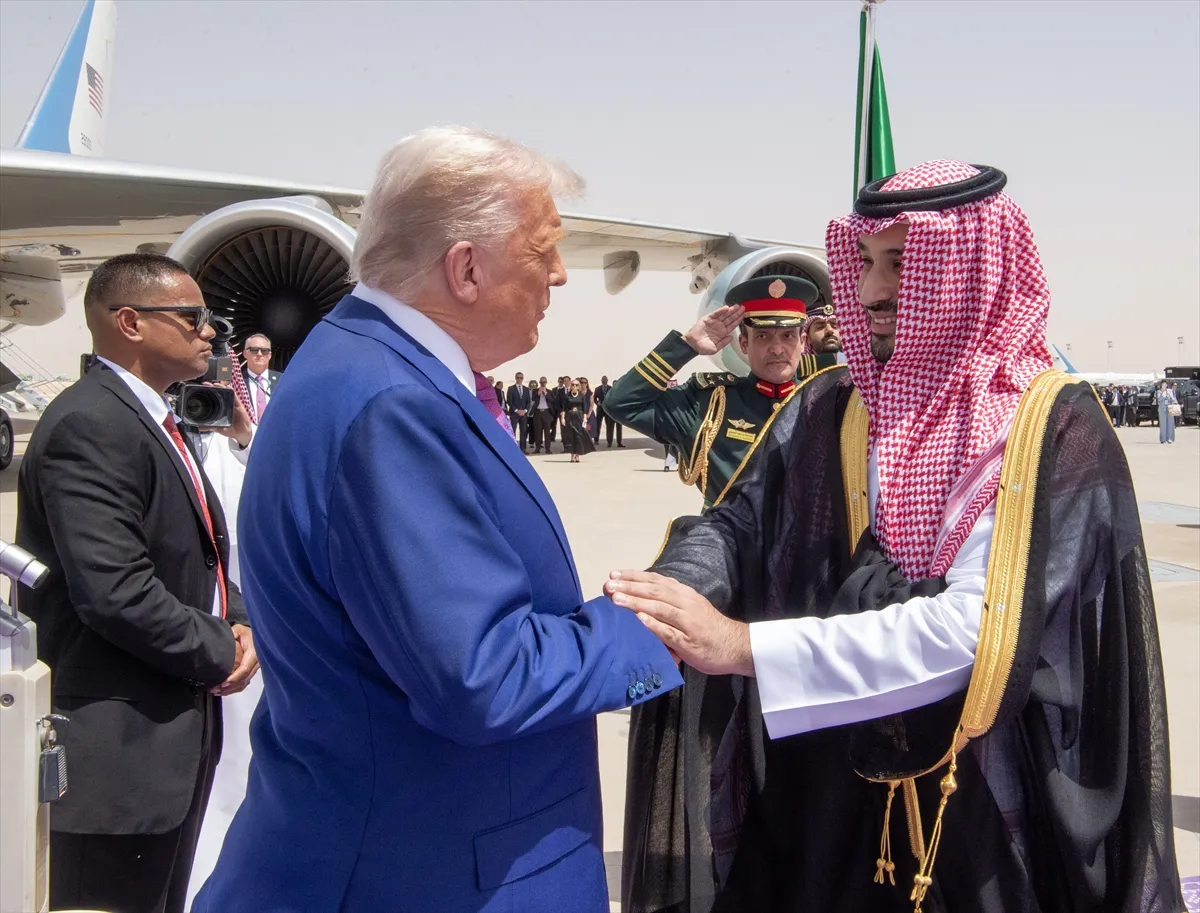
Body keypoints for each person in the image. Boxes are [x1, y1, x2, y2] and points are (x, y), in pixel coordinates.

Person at [606, 162, 1183, 913]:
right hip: (833, 786)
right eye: (865, 262)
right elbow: (736, 526)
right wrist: (673, 593)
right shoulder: (831, 405)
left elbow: (976, 631)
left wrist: (742, 647)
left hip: (986, 797)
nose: (873, 290)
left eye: (901, 264)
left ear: (971, 269)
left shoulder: (1052, 427)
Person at [192, 126, 681, 913]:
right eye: (545, 248)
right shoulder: (394, 407)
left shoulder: (358, 361)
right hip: (424, 873)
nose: (560, 273)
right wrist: (654, 626)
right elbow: (482, 677)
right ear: (467, 268)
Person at [15, 253, 259, 913]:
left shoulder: (150, 417)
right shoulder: (92, 423)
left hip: (163, 740)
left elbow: (199, 552)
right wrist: (222, 647)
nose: (210, 332)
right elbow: (114, 590)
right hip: (114, 755)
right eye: (192, 317)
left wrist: (237, 616)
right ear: (130, 323)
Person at [604, 275, 836, 511]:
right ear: (743, 344)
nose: (777, 349)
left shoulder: (829, 403)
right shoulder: (708, 405)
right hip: (727, 534)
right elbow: (621, 403)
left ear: (802, 341)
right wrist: (686, 346)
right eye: (762, 336)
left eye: (787, 336)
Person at [240, 332, 280, 424]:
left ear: (270, 355)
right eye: (254, 350)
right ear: (245, 353)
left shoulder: (282, 380)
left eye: (264, 351)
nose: (259, 354)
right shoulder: (237, 382)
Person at [561, 379, 596, 463]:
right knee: (571, 436)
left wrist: (585, 418)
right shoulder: (567, 396)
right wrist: (563, 418)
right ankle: (572, 455)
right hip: (570, 417)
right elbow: (564, 408)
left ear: (578, 386)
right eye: (573, 384)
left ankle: (577, 455)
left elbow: (584, 409)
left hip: (579, 417)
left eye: (576, 385)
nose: (574, 386)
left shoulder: (581, 396)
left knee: (578, 436)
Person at [593, 374, 624, 447]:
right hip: (600, 409)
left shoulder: (610, 388)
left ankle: (609, 442)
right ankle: (596, 440)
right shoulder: (597, 389)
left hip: (608, 410)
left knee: (609, 426)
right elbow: (594, 399)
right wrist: (597, 403)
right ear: (601, 381)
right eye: (603, 380)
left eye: (605, 380)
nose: (604, 381)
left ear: (607, 380)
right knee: (598, 425)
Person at [507, 370, 533, 451]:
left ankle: (523, 448)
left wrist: (525, 410)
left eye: (521, 378)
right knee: (513, 431)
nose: (519, 379)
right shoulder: (511, 389)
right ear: (515, 378)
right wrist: (516, 410)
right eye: (518, 377)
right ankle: (513, 449)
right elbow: (509, 401)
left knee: (523, 432)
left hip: (523, 414)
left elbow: (529, 402)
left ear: (523, 378)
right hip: (514, 414)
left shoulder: (526, 389)